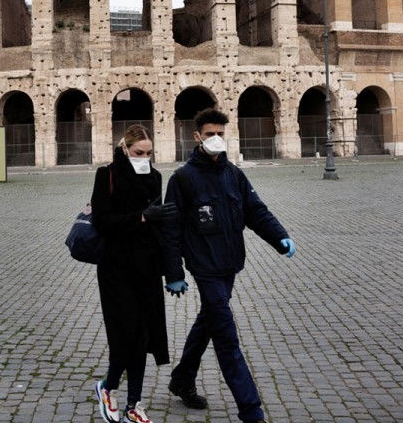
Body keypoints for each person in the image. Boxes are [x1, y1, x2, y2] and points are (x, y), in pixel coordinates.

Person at [160, 108, 296, 423]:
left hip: (230, 265)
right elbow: (172, 230)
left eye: (220, 133)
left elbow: (256, 211)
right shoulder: (182, 179)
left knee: (208, 321)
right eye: (210, 134)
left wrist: (280, 237)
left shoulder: (234, 174)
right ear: (197, 136)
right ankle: (251, 411)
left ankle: (182, 380)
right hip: (204, 267)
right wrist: (174, 273)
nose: (216, 139)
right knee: (225, 335)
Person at [91, 125, 178, 423]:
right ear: (125, 149)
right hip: (116, 268)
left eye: (149, 153)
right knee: (125, 335)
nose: (144, 157)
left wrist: (172, 271)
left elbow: (160, 228)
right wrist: (141, 217)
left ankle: (134, 404)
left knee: (143, 337)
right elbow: (102, 221)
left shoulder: (155, 177)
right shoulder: (108, 175)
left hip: (148, 266)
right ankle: (109, 387)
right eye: (139, 152)